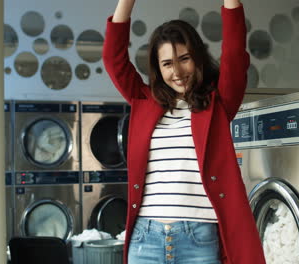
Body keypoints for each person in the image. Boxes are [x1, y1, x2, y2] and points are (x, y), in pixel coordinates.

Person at [103, 0, 266, 263]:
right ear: (158, 68)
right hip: (146, 239)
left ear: (198, 58)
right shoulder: (143, 100)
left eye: (184, 59)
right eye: (167, 63)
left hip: (198, 241)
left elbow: (235, 52)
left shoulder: (218, 103)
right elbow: (112, 58)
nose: (177, 71)